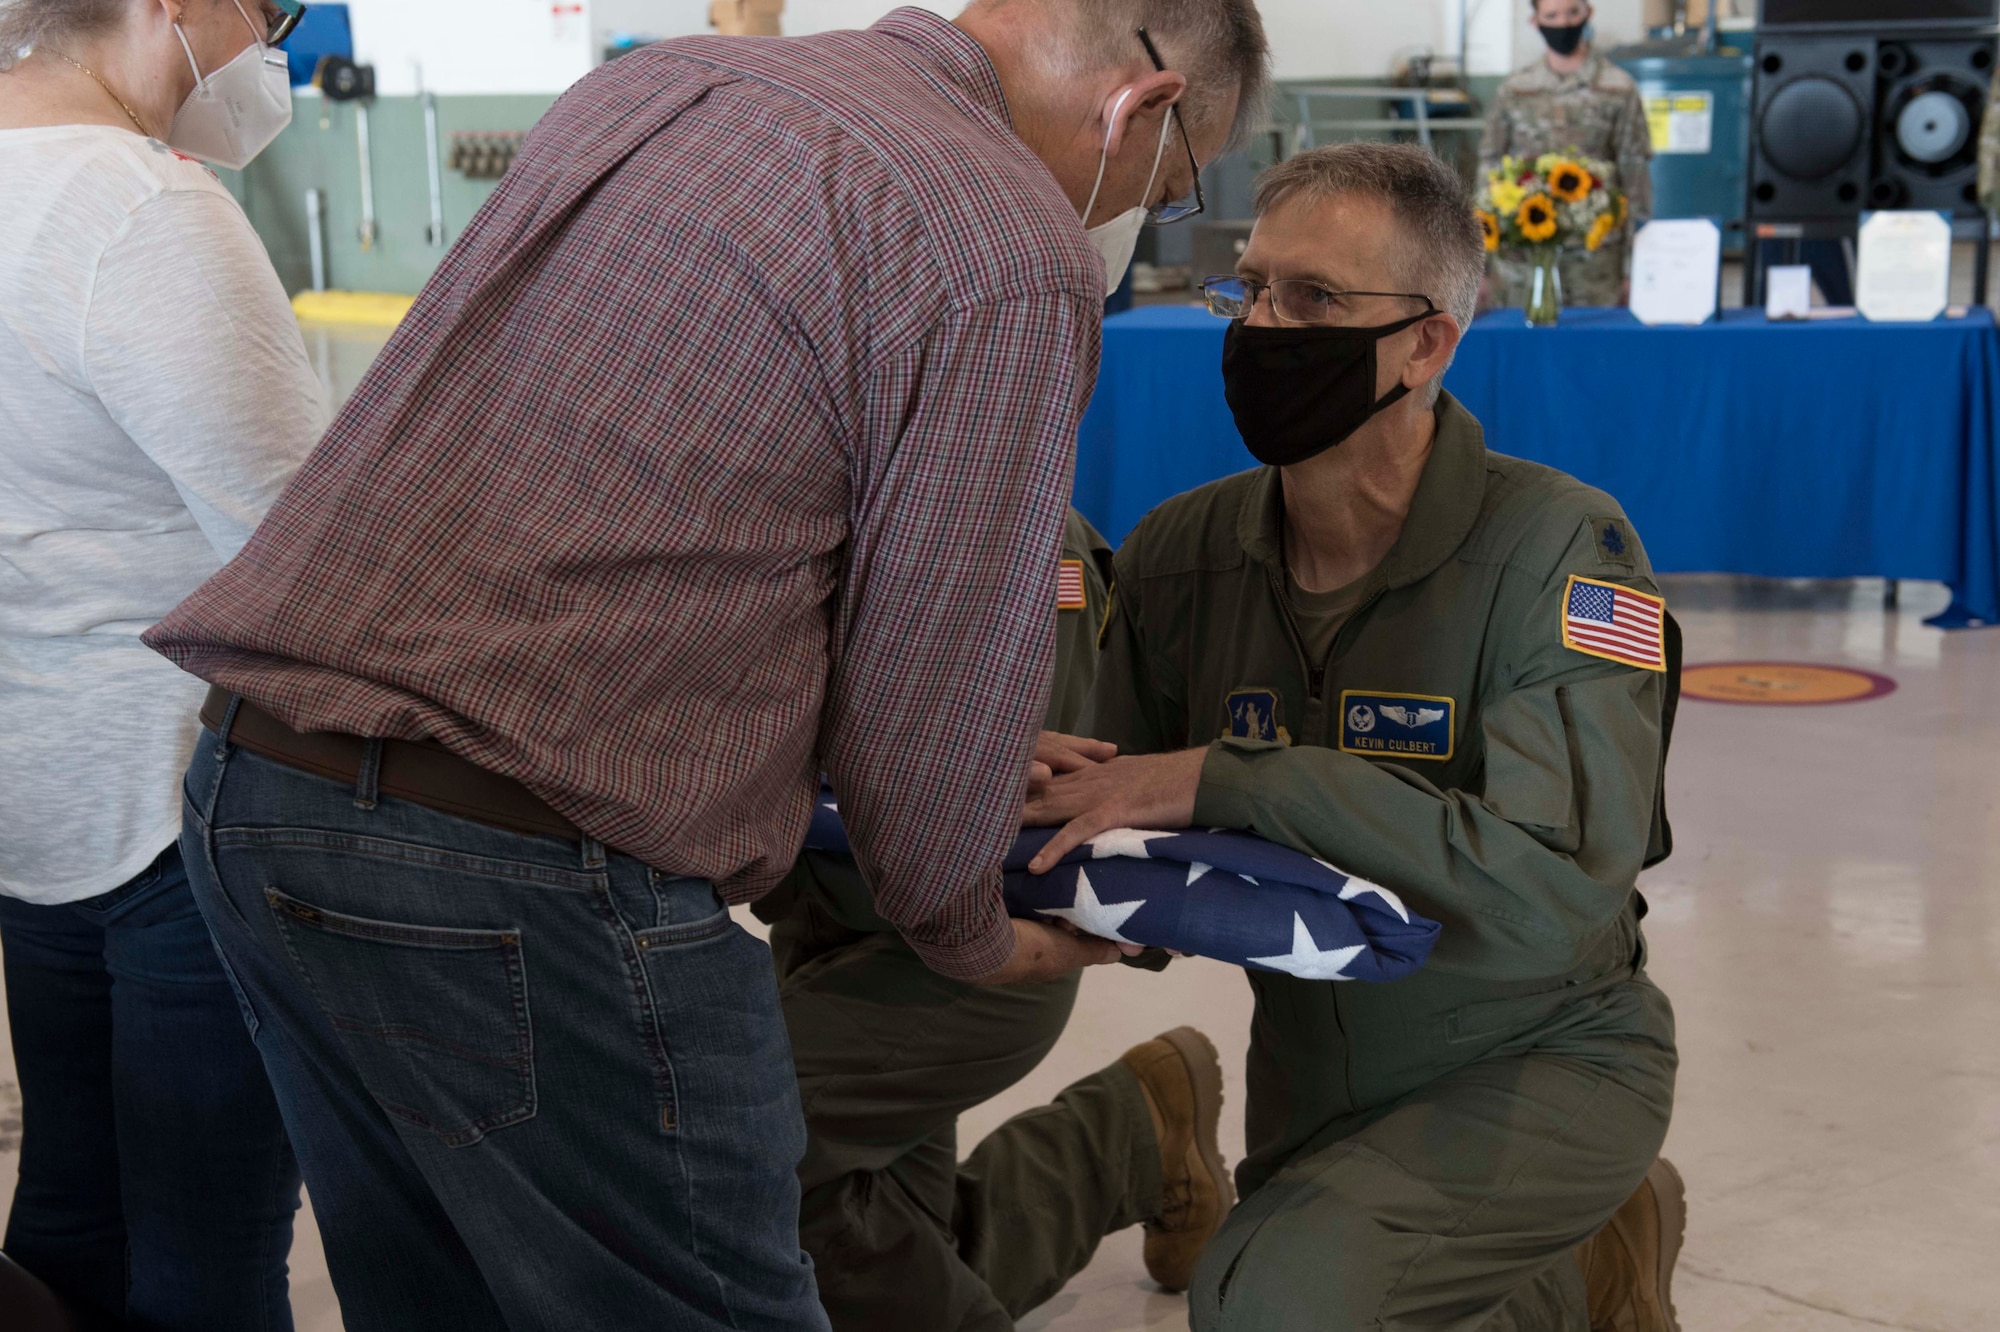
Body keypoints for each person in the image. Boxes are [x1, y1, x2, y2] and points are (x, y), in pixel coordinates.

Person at [141, 0, 1268, 1327]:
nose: (1127, 224)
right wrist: (966, 924)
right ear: (1136, 110)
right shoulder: (1011, 243)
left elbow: (662, 524)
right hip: (516, 865)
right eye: (1165, 186)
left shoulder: (660, 88)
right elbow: (938, 668)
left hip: (256, 789)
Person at [1025, 142, 1684, 1332]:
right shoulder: (1184, 553)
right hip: (1315, 1079)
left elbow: (1550, 892)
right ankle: (1579, 1274)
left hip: (1540, 1057)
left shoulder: (1561, 554)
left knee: (1265, 1301)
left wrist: (1236, 781)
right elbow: (1116, 818)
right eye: (1250, 288)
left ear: (1426, 343)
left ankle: (1576, 1242)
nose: (1263, 326)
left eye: (1315, 299)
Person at [0, 0, 325, 1327]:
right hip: (182, 808)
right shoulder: (138, 211)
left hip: (35, 795)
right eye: (271, 11)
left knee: (71, 1207)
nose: (273, 44)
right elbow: (306, 564)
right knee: (208, 1247)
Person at [760, 507, 1238, 1331]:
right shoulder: (853, 511)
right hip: (836, 922)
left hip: (962, 958)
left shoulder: (1009, 535)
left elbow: (1009, 809)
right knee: (864, 1228)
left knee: (743, 1152)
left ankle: (1121, 1140)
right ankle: (1131, 1133)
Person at [1480, 0, 1652, 307]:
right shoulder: (1515, 90)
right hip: (1522, 259)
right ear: (1535, 21)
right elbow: (1488, 174)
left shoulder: (1618, 88)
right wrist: (1479, 267)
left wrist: (1637, 266)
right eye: (1552, 15)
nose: (1563, 23)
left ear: (1588, 13)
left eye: (1573, 12)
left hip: (1596, 261)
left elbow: (1635, 179)